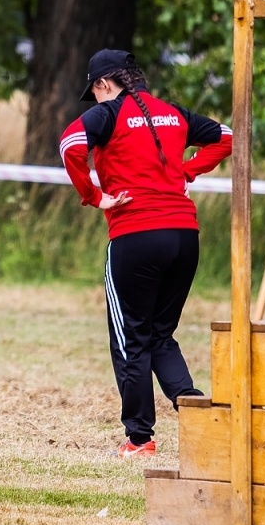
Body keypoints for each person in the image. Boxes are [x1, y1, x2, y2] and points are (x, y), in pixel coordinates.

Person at [60, 49, 232, 456]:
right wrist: (187, 170)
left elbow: (70, 143)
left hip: (136, 235)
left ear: (104, 84)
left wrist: (94, 196)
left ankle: (139, 438)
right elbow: (226, 137)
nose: (95, 99)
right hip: (184, 236)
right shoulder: (173, 113)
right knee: (159, 335)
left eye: (94, 92)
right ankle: (196, 411)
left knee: (131, 339)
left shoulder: (109, 113)